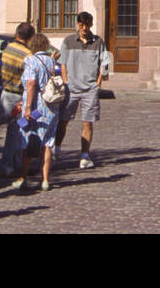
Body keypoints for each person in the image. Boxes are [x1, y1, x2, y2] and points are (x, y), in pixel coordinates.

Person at [56, 12, 107, 169]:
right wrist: (65, 82)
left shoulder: (98, 42)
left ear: (91, 25)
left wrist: (98, 83)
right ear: (77, 24)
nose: (84, 28)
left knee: (88, 122)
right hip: (71, 88)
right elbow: (62, 63)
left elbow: (104, 64)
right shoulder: (68, 41)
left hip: (90, 89)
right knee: (63, 120)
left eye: (86, 25)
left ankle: (85, 155)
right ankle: (56, 149)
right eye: (81, 25)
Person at [14, 33, 61, 191]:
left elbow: (31, 83)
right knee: (48, 143)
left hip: (36, 109)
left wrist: (27, 106)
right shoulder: (52, 61)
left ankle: (23, 177)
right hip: (51, 108)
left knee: (28, 138)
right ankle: (45, 179)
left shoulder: (31, 60)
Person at [0, 22, 34, 178]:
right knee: (17, 131)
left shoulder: (8, 48)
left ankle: (15, 162)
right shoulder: (27, 55)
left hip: (5, 94)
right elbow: (29, 80)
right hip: (18, 98)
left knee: (16, 130)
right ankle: (9, 164)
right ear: (29, 37)